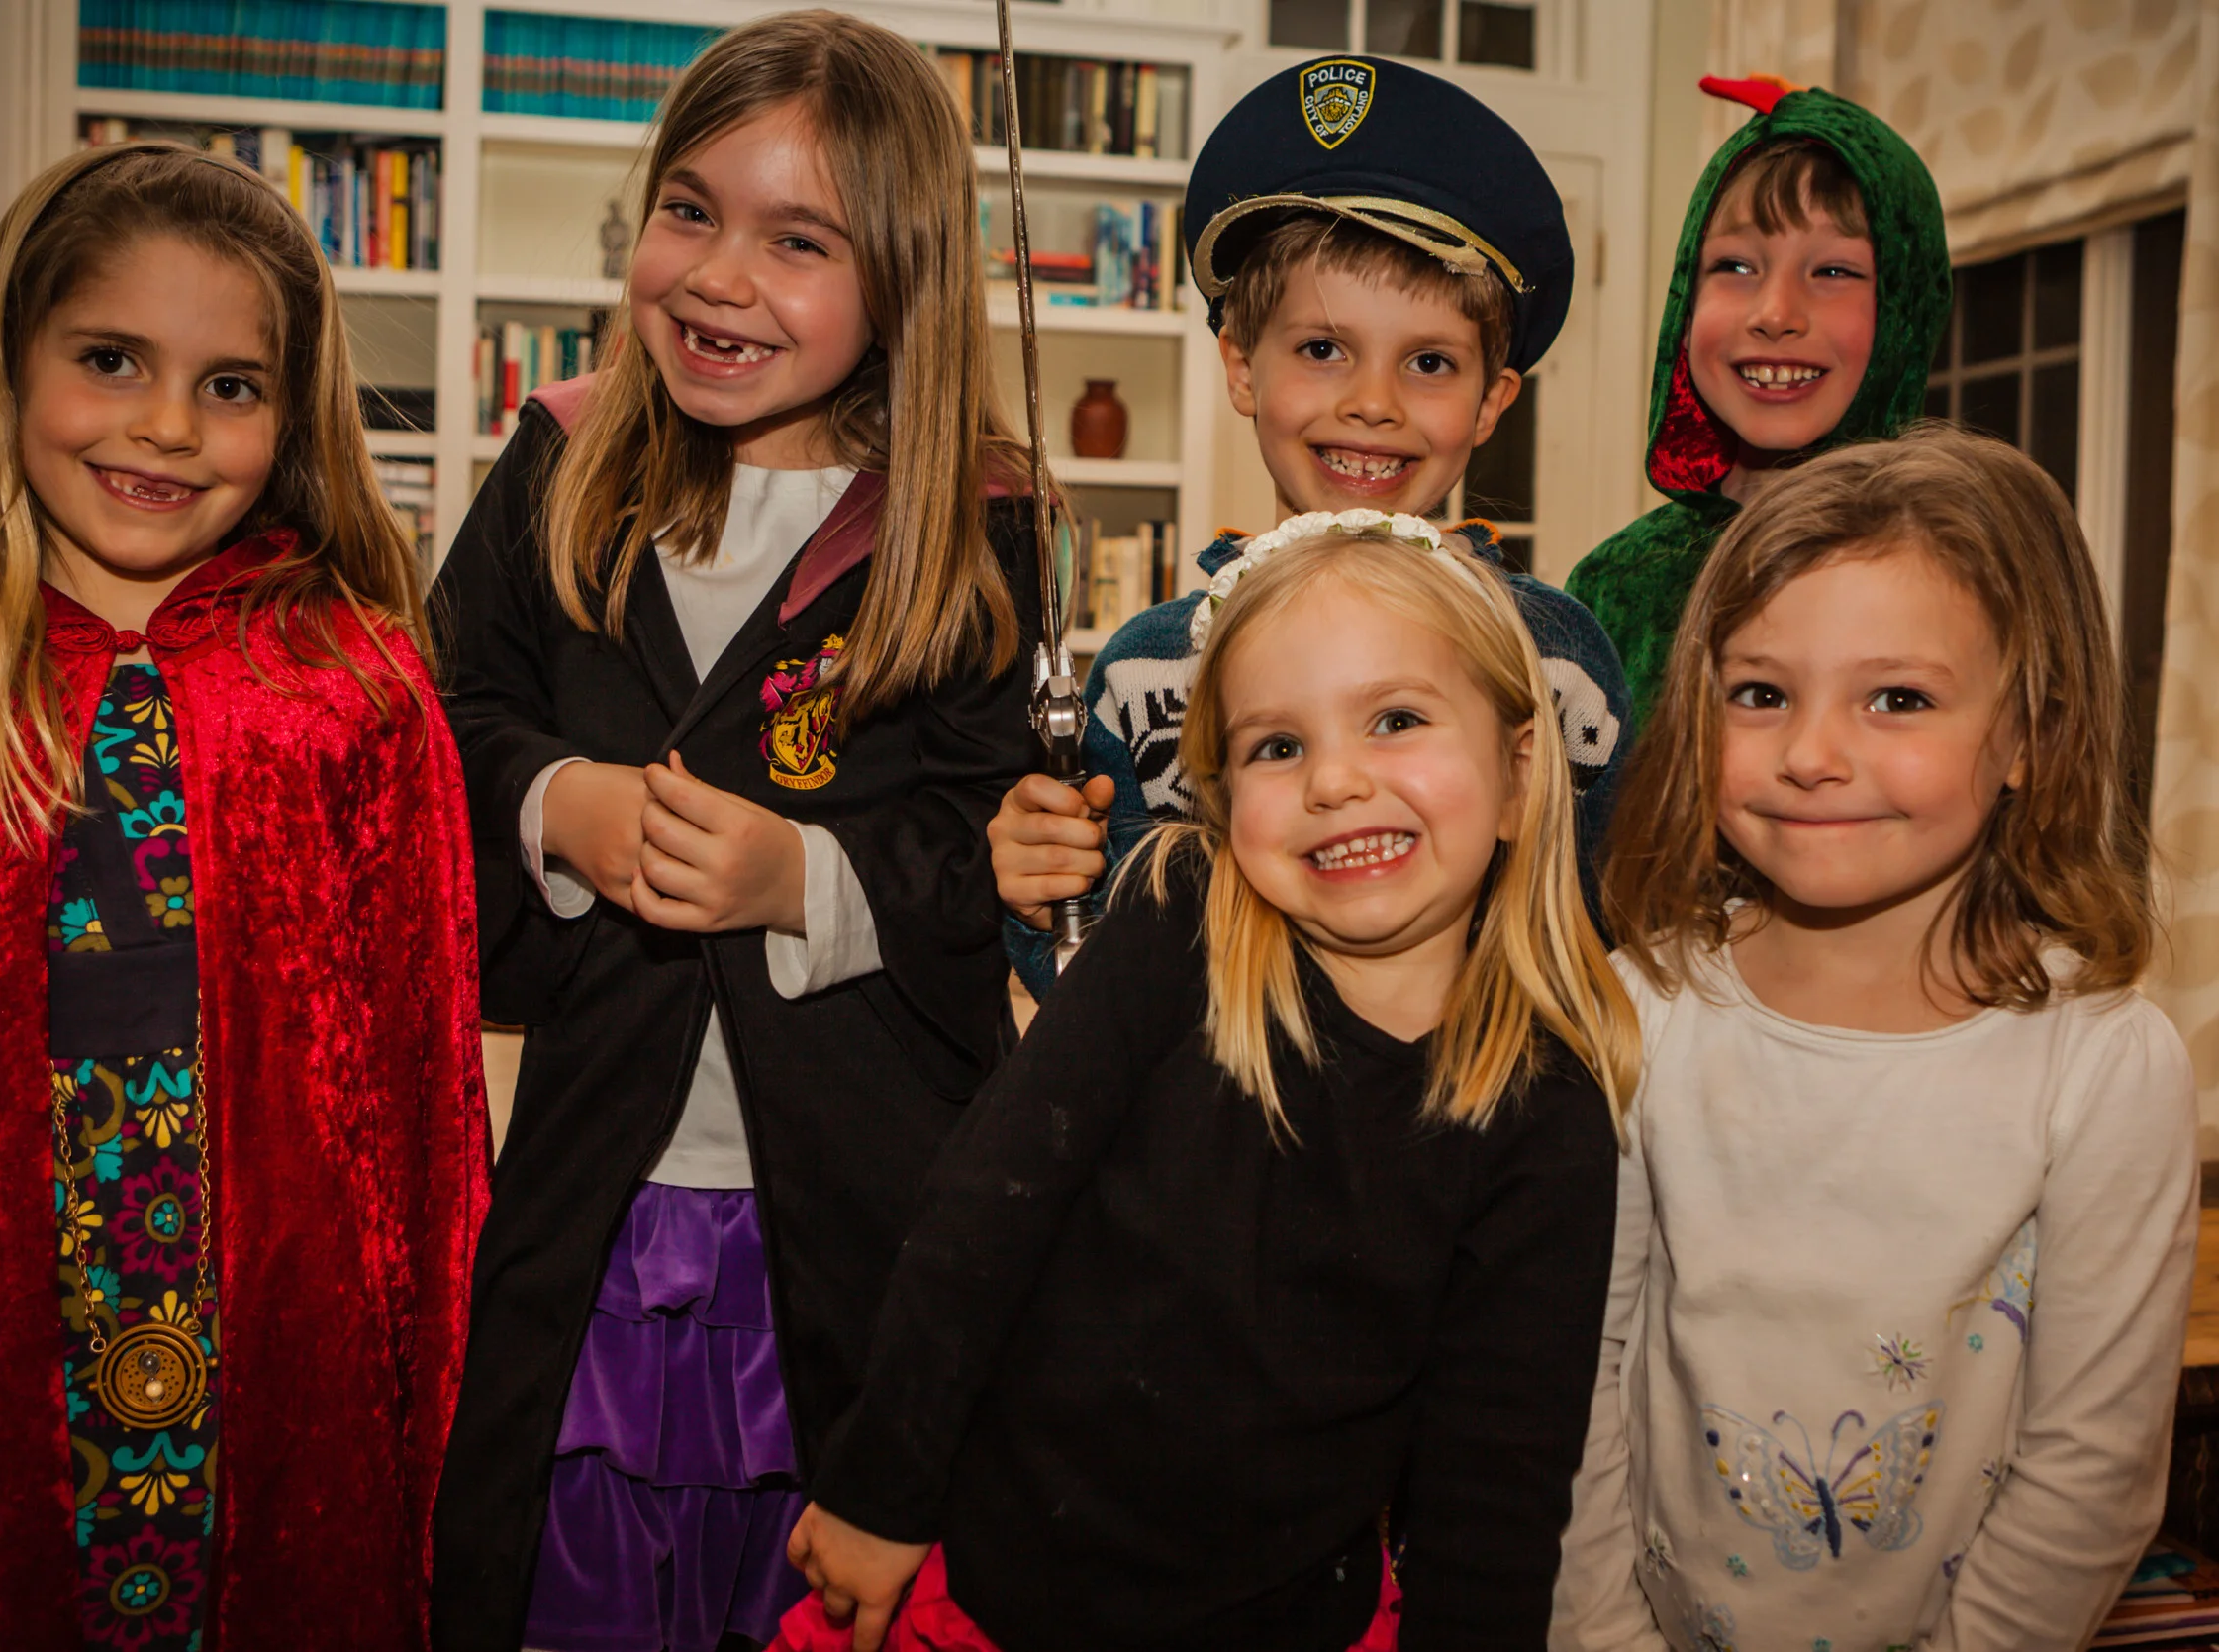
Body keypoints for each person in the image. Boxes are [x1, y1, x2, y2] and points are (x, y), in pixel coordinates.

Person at [0, 142, 487, 1648]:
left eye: (231, 385)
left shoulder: (349, 686)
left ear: (291, 418)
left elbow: (424, 1095)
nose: (167, 425)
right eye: (110, 359)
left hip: (267, 1341)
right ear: (12, 361)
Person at [427, 15, 1041, 1651]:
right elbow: (445, 721)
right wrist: (560, 803)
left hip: (850, 1217)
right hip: (599, 1203)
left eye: (799, 241)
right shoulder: (562, 461)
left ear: (903, 280)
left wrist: (803, 878)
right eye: (690, 211)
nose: (718, 277)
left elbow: (988, 842)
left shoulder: (977, 522)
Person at [782, 513, 1639, 1652]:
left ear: (1522, 770)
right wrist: (877, 1489)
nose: (1335, 780)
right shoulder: (1171, 923)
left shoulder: (1546, 1105)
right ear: (1222, 796)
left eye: (1395, 719)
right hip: (990, 1590)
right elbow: (980, 1217)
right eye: (1276, 745)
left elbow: (1496, 1479)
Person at [1550, 427, 2196, 1651]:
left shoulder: (2103, 1065)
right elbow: (1575, 1389)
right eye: (1759, 693)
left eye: (1897, 698)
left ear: (2031, 737)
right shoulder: (1642, 1010)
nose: (1809, 755)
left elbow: (2091, 1469)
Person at [989, 56, 1629, 997]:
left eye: (1430, 363)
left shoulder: (1559, 662)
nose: (1372, 402)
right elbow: (1099, 994)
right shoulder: (1146, 674)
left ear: (1492, 401)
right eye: (1323, 348)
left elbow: (1598, 945)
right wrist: (1043, 899)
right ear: (1243, 367)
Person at [1565, 74, 1950, 730]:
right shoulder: (1612, 586)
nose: (1774, 313)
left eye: (1833, 272)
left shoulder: (1953, 576)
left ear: (1903, 314)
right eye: (1736, 267)